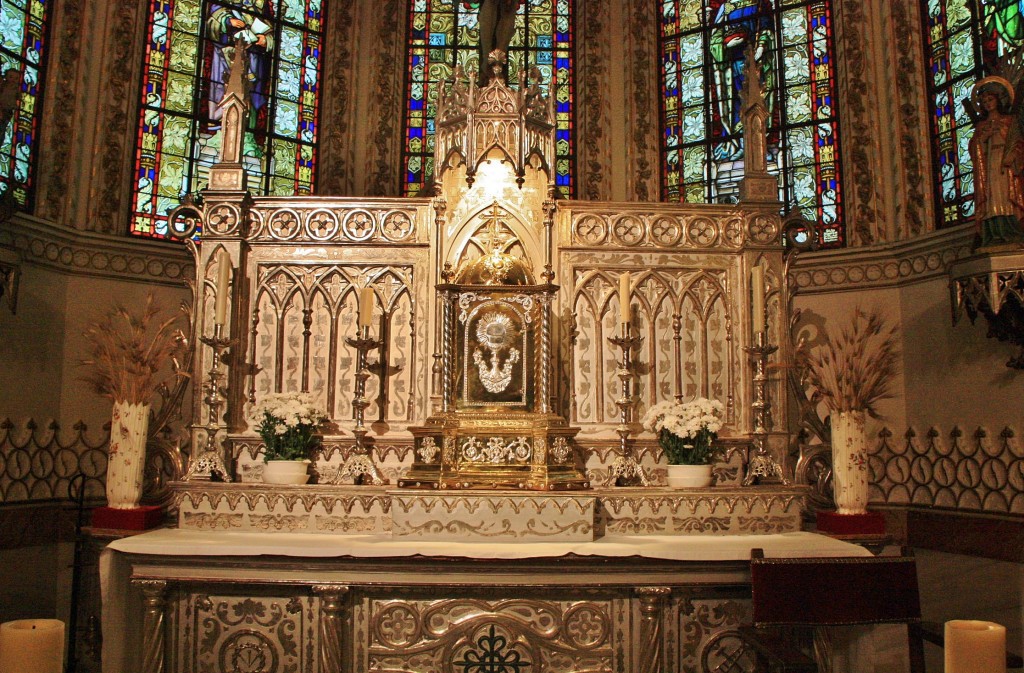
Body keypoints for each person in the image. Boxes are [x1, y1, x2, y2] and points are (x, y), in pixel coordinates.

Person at [969, 76, 1024, 248]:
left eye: (990, 99)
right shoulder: (981, 126)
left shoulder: (1009, 121)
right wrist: (983, 138)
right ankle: (993, 232)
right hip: (989, 163)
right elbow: (975, 148)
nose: (987, 104)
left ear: (998, 100)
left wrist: (1013, 155)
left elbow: (1018, 143)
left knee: (1006, 193)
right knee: (992, 195)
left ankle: (1011, 230)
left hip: (1006, 164)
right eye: (984, 101)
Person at [477, 0, 523, 84]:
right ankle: (487, 66)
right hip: (490, 7)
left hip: (507, 10)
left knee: (504, 29)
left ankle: (496, 65)